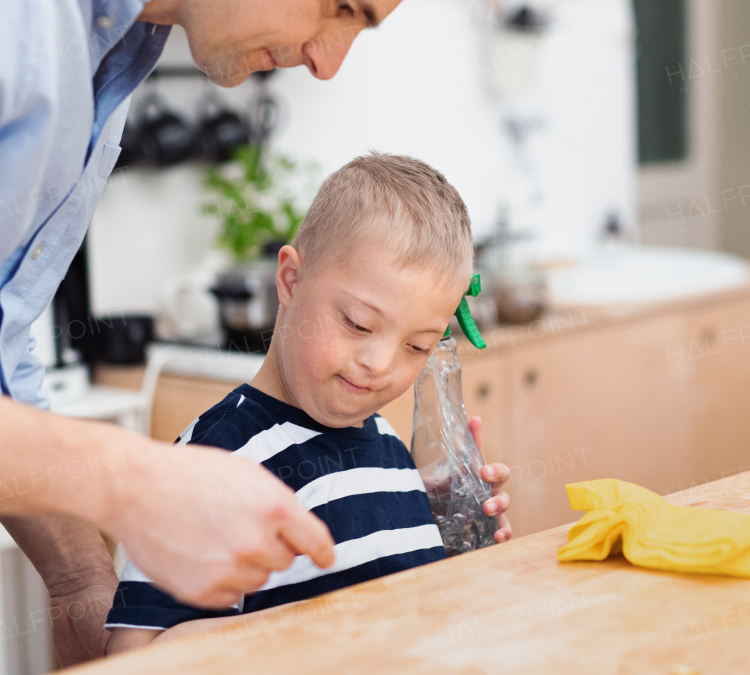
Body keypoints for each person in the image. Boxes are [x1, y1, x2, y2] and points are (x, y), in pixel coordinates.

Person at [0, 0, 512, 671]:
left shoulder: (117, 34)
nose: (328, 59)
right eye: (340, 2)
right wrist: (129, 479)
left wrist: (77, 574)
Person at [103, 153, 512, 654]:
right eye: (358, 324)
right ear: (291, 281)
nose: (380, 363)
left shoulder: (390, 451)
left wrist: (453, 544)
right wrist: (313, 627)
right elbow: (134, 652)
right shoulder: (216, 461)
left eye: (417, 347)